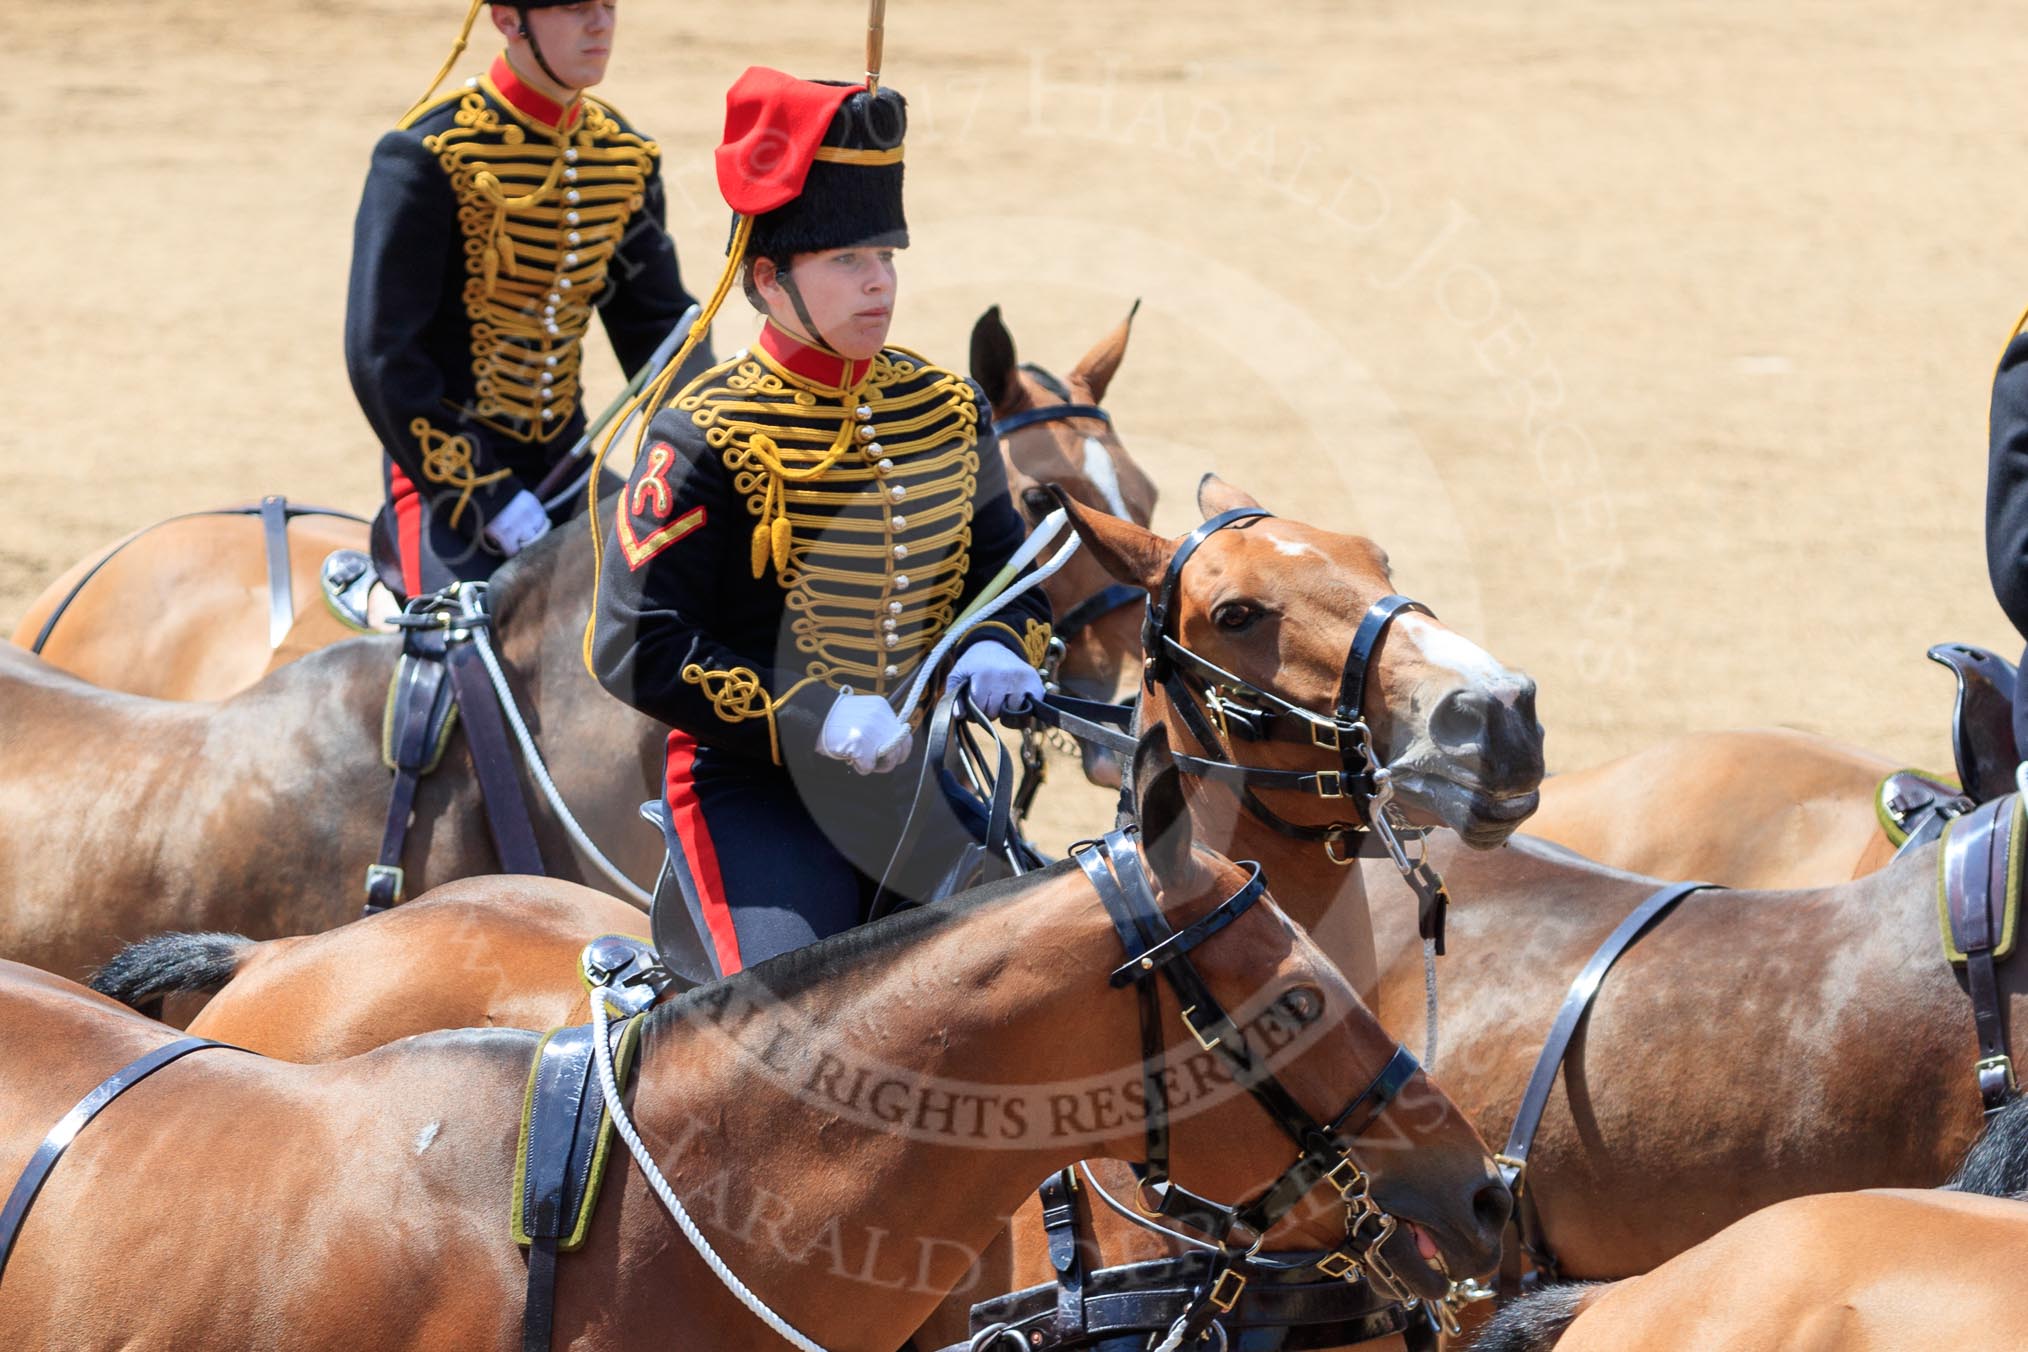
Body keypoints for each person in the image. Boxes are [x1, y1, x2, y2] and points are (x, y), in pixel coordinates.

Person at [590, 66, 1053, 978]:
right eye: (847, 261)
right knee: (793, 1045)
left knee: (1058, 977)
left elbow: (1014, 580)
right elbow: (633, 643)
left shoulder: (947, 411)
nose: (878, 284)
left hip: (914, 786)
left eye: (885, 260)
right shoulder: (703, 435)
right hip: (754, 795)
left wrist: (1000, 646)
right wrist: (816, 718)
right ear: (769, 279)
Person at [344, 0, 703, 602]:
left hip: (567, 468)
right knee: (467, 652)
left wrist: (704, 456)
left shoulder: (621, 157)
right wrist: (484, 496)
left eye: (609, 6)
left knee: (706, 591)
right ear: (509, 20)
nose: (600, 25)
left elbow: (658, 327)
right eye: (574, 9)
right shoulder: (428, 155)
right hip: (447, 484)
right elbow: (383, 356)